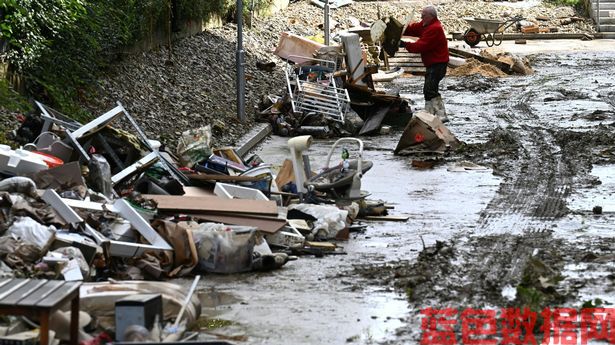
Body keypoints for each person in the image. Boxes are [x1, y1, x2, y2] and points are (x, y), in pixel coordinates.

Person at [401, 5, 449, 122]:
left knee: (430, 89)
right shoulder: (426, 24)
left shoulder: (434, 28)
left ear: (431, 16)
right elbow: (413, 28)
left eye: (423, 16)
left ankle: (440, 115)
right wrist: (400, 29)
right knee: (429, 89)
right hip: (434, 63)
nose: (421, 17)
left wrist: (405, 45)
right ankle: (431, 114)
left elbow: (421, 46)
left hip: (438, 64)